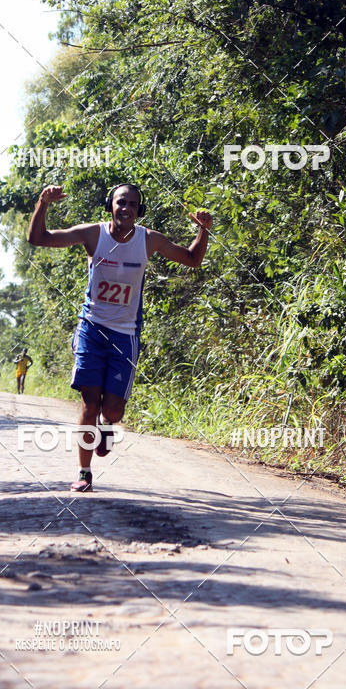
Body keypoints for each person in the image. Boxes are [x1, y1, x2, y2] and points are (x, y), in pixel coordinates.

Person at [28, 182, 212, 492]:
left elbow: (192, 259)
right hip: (91, 329)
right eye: (120, 202)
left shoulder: (149, 240)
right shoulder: (93, 235)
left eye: (132, 204)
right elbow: (39, 238)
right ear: (110, 206)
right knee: (89, 404)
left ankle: (108, 425)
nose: (125, 208)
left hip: (125, 335)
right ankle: (84, 472)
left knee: (112, 410)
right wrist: (43, 203)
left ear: (139, 211)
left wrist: (203, 230)